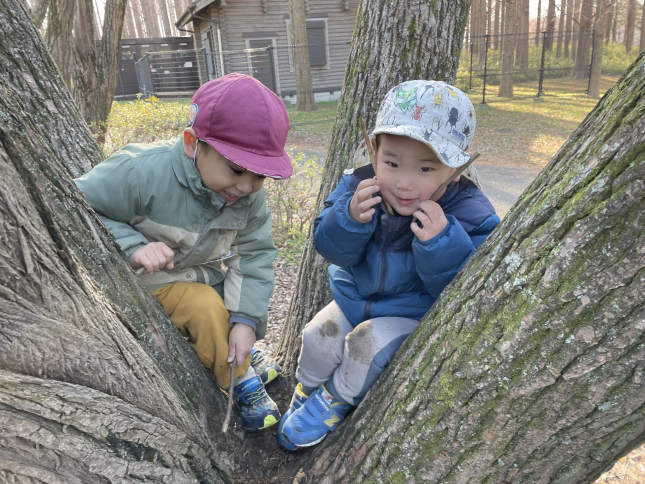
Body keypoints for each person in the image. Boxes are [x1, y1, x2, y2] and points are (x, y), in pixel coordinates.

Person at [278, 80, 501, 449]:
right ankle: (308, 389)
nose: (404, 183)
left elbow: (465, 289)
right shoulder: (358, 186)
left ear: (455, 170)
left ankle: (335, 399)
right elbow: (330, 248)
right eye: (392, 163)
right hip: (353, 299)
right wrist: (349, 218)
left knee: (367, 346)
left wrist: (441, 243)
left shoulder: (470, 214)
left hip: (409, 312)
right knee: (317, 335)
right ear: (373, 150)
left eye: (426, 170)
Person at [75, 73, 290, 432]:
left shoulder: (246, 196)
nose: (246, 185)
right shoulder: (139, 173)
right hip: (148, 283)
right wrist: (134, 246)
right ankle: (240, 379)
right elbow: (76, 206)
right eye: (237, 169)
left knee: (228, 300)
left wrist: (247, 322)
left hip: (196, 272)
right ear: (192, 143)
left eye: (260, 176)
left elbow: (254, 257)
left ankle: (238, 348)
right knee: (204, 306)